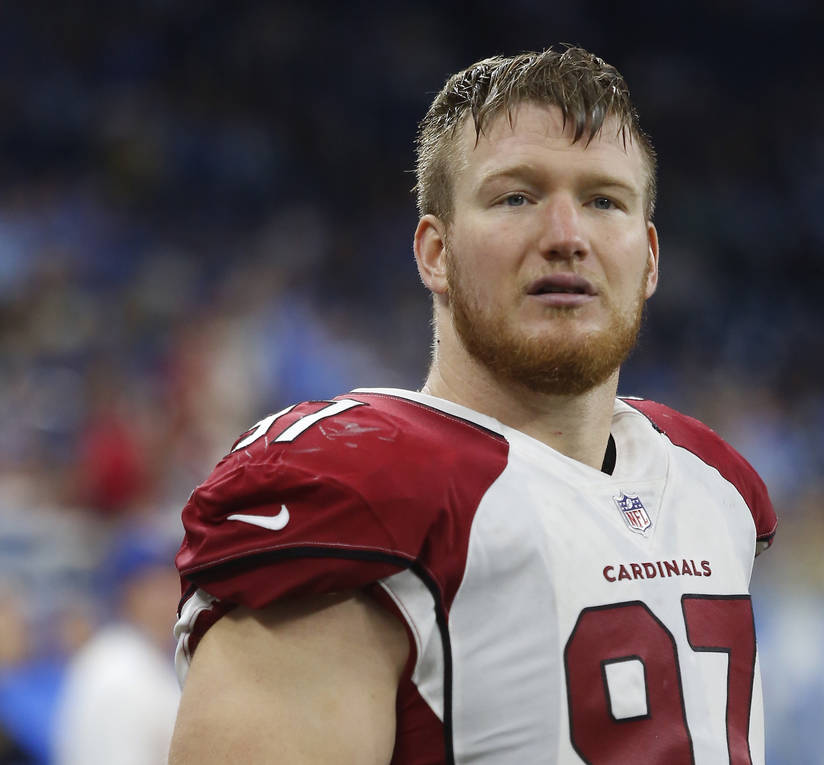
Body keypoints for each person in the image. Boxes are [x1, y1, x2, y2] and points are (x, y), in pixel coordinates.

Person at [168, 46, 777, 764]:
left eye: (603, 200)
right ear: (435, 251)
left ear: (649, 258)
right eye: (516, 197)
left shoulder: (712, 484)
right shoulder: (355, 493)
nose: (566, 236)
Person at [52, 528, 182, 765]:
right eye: (158, 588)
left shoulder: (143, 657)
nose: (174, 598)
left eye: (176, 584)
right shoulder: (116, 667)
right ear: (127, 594)